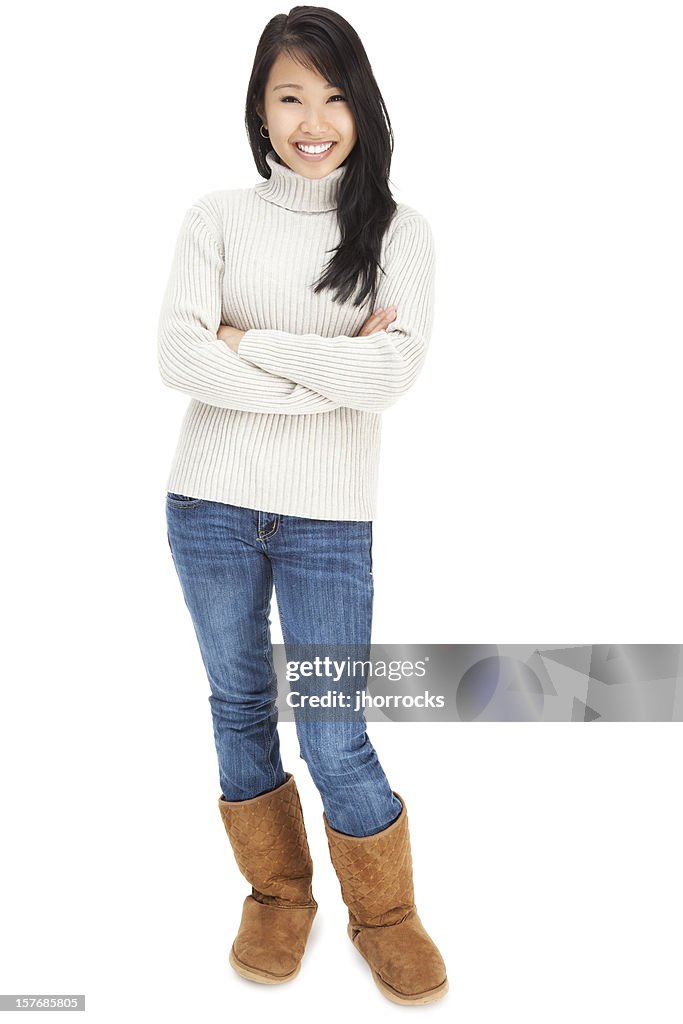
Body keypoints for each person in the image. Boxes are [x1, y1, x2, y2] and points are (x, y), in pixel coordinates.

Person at [157, 5, 447, 1006]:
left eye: (332, 96)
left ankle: (385, 913)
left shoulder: (399, 232)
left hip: (329, 519)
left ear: (361, 107)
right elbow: (175, 356)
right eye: (288, 96)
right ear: (260, 108)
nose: (311, 119)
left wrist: (245, 344)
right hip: (209, 504)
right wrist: (333, 364)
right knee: (239, 709)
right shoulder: (215, 219)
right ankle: (277, 895)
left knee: (332, 725)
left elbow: (389, 376)